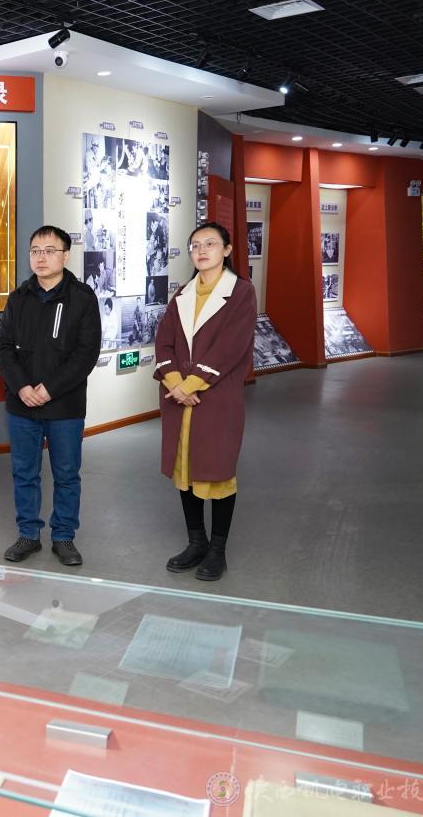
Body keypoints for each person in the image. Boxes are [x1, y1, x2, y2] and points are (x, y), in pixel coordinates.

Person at [152, 221, 257, 582]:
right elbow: (164, 341)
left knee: (218, 471)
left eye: (210, 244)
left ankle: (217, 550)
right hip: (180, 397)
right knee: (185, 470)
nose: (201, 251)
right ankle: (196, 542)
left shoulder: (241, 293)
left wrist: (191, 384)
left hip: (216, 398)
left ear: (227, 250)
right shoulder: (182, 293)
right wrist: (176, 383)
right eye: (195, 245)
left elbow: (231, 347)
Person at [0, 226, 101, 568]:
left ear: (65, 256)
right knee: (24, 472)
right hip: (21, 404)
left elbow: (85, 354)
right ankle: (28, 533)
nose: (41, 257)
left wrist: (49, 389)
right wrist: (22, 387)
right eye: (35, 251)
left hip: (65, 405)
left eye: (49, 250)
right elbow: (3, 349)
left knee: (66, 474)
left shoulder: (82, 298)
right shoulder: (18, 298)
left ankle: (64, 536)